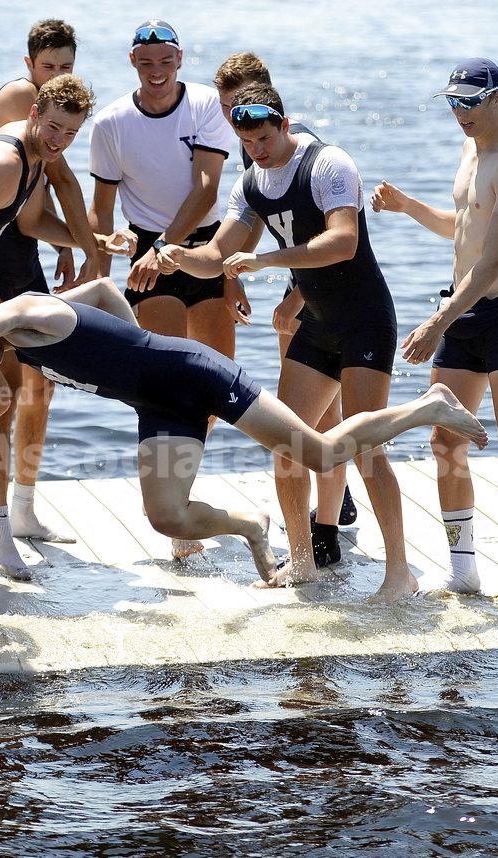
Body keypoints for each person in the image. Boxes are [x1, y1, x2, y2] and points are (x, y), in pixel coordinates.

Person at [0, 280, 489, 590]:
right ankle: (252, 528)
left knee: (315, 450)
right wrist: (132, 346)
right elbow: (100, 287)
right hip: (157, 399)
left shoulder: (22, 314)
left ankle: (428, 405)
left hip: (193, 373)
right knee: (165, 517)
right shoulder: (21, 335)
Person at [157, 83, 412, 600]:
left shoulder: (328, 164)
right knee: (288, 445)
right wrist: (175, 256)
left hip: (365, 320)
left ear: (285, 124)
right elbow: (219, 253)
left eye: (266, 137)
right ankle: (301, 565)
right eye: (248, 141)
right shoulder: (249, 183)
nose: (259, 149)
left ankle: (399, 571)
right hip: (317, 324)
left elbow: (344, 242)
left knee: (366, 450)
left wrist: (268, 261)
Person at [371, 58, 498, 621]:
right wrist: (408, 206)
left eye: (470, 103)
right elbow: (462, 226)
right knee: (445, 442)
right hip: (461, 312)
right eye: (453, 103)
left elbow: (490, 263)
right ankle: (464, 571)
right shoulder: (469, 152)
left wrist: (438, 321)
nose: (460, 113)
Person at [0, 74, 135, 578]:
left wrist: (91, 240)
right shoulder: (6, 163)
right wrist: (0, 321)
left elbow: (28, 225)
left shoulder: (36, 160)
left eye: (69, 134)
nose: (58, 140)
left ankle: (2, 522)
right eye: (52, 127)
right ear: (33, 114)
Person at [88, 19, 236, 559]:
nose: (156, 72)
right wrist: (106, 255)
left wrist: (178, 252)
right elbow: (101, 212)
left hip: (207, 247)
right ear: (132, 62)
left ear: (180, 59)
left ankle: (181, 496)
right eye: (146, 62)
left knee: (218, 388)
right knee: (172, 389)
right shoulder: (109, 123)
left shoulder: (204, 105)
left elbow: (208, 188)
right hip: (147, 258)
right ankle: (177, 524)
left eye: (165, 61)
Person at [212, 52, 357, 567]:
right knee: (310, 417)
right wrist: (224, 277)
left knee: (322, 418)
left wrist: (297, 292)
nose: (240, 119)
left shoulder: (310, 152)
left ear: (275, 106)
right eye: (230, 109)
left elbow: (335, 238)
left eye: (247, 105)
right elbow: (248, 230)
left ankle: (329, 520)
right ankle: (323, 521)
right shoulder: (254, 155)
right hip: (293, 286)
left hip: (326, 295)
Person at [0, 20, 99, 551]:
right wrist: (86, 250)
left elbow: (45, 193)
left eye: (66, 67)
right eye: (48, 67)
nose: (56, 76)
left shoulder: (59, 115)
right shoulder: (25, 99)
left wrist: (74, 246)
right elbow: (64, 181)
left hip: (21, 241)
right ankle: (0, 521)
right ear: (29, 69)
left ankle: (23, 510)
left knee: (40, 384)